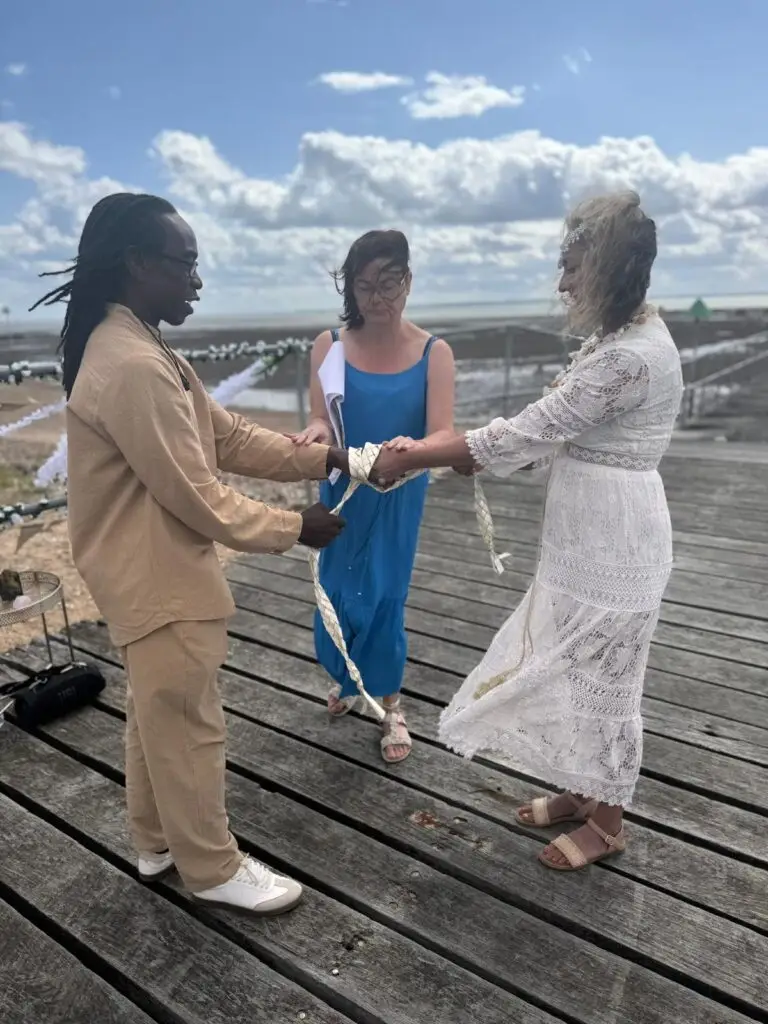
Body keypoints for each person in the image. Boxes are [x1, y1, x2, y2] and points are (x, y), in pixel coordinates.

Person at [29, 192, 353, 914]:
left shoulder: (138, 343)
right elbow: (195, 494)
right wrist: (293, 527)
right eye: (187, 264)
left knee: (158, 715)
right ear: (139, 264)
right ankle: (211, 867)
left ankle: (156, 842)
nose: (198, 281)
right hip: (158, 575)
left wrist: (325, 458)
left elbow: (228, 437)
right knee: (191, 726)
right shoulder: (134, 364)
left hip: (141, 569)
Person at [370, 192, 683, 869]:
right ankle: (582, 789)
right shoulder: (617, 340)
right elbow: (543, 436)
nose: (563, 282)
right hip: (585, 532)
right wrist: (444, 455)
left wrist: (416, 455)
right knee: (574, 667)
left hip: (617, 539)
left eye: (573, 267)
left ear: (611, 268)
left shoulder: (628, 358)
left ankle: (608, 824)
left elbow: (528, 431)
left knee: (609, 680)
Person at [290, 229, 455, 763]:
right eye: (365, 287)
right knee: (337, 588)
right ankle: (346, 675)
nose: (378, 298)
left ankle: (390, 703)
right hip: (341, 488)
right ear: (350, 289)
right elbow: (322, 415)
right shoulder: (329, 346)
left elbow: (443, 435)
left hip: (399, 493)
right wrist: (315, 431)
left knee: (385, 593)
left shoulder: (435, 352)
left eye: (389, 283)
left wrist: (417, 446)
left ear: (409, 281)